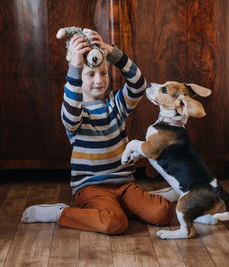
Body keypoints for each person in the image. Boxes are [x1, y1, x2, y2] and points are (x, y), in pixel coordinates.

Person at [21, 33, 173, 234]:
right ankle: (60, 213)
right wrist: (75, 66)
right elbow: (71, 109)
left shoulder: (116, 104)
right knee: (113, 223)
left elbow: (138, 85)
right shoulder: (75, 111)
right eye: (90, 75)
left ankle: (144, 200)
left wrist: (115, 55)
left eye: (103, 73)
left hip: (124, 184)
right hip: (92, 188)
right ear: (78, 78)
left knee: (163, 213)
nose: (99, 80)